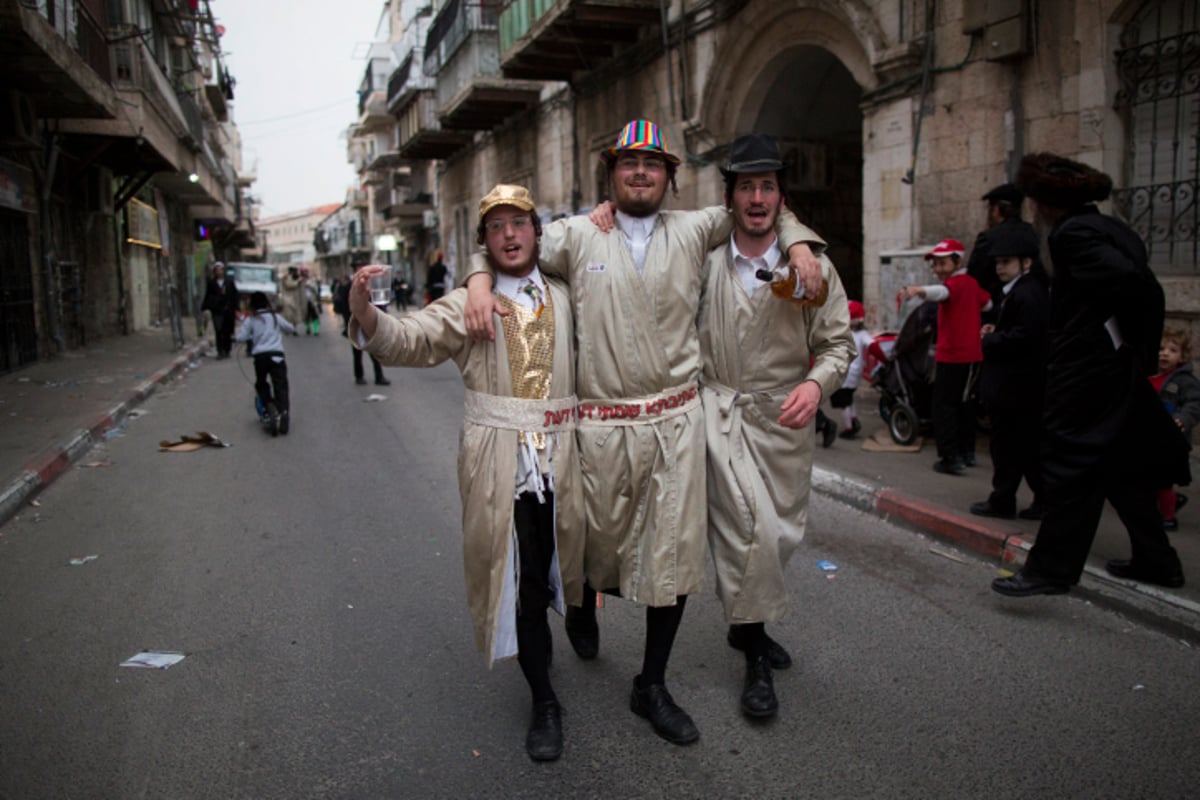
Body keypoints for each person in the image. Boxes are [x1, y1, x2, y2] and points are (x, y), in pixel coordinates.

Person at [462, 119, 825, 745]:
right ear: (611, 175)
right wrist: (474, 277)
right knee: (593, 548)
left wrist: (797, 249)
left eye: (652, 165)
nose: (639, 173)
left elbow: (759, 212)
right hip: (599, 429)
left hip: (676, 425)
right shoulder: (575, 235)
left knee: (673, 561)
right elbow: (505, 242)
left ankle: (650, 684)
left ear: (670, 179)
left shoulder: (695, 229)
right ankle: (581, 603)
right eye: (628, 163)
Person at [348, 184, 584, 762]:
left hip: (570, 456)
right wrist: (363, 309)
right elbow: (409, 340)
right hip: (503, 463)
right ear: (484, 240)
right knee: (523, 579)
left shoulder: (568, 294)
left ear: (536, 231)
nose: (509, 234)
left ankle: (579, 609)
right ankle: (544, 700)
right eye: (496, 226)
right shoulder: (467, 306)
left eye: (519, 223)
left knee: (578, 557)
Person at [698, 133, 856, 718]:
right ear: (729, 196)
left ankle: (746, 628)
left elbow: (837, 345)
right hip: (719, 416)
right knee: (753, 533)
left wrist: (816, 384)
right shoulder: (705, 261)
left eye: (767, 187)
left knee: (778, 538)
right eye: (746, 187)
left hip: (783, 424)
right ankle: (756, 659)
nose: (757, 198)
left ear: (780, 197)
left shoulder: (813, 272)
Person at [992, 152, 1188, 597]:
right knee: (1122, 469)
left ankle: (1050, 569)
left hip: (1087, 375)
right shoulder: (1107, 227)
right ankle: (1158, 561)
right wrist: (1132, 349)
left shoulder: (1074, 234)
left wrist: (1119, 345)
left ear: (1044, 205)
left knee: (1068, 468)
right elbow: (1140, 289)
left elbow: (1138, 286)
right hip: (1111, 370)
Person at [970, 223, 1050, 521]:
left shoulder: (1028, 293)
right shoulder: (1020, 291)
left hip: (1017, 388)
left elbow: (1027, 337)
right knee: (1020, 449)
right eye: (998, 262)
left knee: (1010, 449)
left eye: (1006, 262)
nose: (999, 268)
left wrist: (990, 339)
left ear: (1026, 263)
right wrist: (997, 330)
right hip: (1017, 388)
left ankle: (1005, 500)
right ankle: (1031, 499)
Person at [901, 239, 992, 475]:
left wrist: (918, 290)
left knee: (943, 407)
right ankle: (967, 452)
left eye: (943, 263)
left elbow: (942, 292)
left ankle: (950, 457)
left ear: (958, 262)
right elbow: (988, 304)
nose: (938, 269)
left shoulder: (956, 284)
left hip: (952, 356)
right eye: (936, 265)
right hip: (973, 355)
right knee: (966, 404)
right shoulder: (972, 284)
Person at [966, 183, 1040, 315]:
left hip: (996, 308)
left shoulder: (988, 237)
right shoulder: (1033, 232)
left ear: (996, 210)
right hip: (1031, 304)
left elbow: (975, 278)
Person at [1152, 327, 1200, 531]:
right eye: (1161, 348)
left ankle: (1169, 517)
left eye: (1172, 350)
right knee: (1151, 480)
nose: (1164, 353)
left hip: (1171, 440)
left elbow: (1194, 404)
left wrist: (1183, 419)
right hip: (1151, 438)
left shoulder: (1184, 381)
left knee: (1163, 480)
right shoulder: (1152, 376)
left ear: (1183, 356)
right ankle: (1171, 501)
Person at [234, 291, 294, 436]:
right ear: (267, 303)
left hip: (260, 357)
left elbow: (241, 337)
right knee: (281, 385)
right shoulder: (275, 317)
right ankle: (283, 410)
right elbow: (290, 328)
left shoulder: (252, 320)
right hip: (277, 356)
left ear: (252, 305)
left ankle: (268, 408)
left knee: (261, 383)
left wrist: (246, 337)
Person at [339, 266, 390, 386]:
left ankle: (379, 376)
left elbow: (379, 304)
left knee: (374, 350)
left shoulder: (371, 286)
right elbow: (344, 305)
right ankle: (359, 376)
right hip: (356, 323)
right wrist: (349, 322)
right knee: (357, 352)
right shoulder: (349, 287)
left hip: (369, 324)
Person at [832, 299, 873, 439]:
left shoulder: (844, 333)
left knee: (843, 401)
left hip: (845, 372)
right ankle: (854, 420)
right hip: (855, 373)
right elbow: (873, 346)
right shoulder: (863, 334)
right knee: (849, 398)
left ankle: (849, 428)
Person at [201, 262, 238, 359]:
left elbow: (235, 295)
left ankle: (227, 350)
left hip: (228, 310)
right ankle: (220, 351)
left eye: (220, 270)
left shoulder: (229, 282)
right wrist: (205, 308)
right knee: (219, 330)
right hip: (217, 310)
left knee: (227, 331)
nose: (219, 272)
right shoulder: (212, 283)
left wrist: (236, 308)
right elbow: (208, 296)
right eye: (217, 270)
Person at [279, 266, 306, 332]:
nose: (296, 273)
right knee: (289, 315)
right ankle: (287, 328)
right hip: (288, 299)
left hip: (295, 300)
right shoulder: (286, 278)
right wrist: (297, 281)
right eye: (295, 271)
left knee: (295, 315)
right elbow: (289, 285)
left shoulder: (296, 278)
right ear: (291, 272)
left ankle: (294, 329)